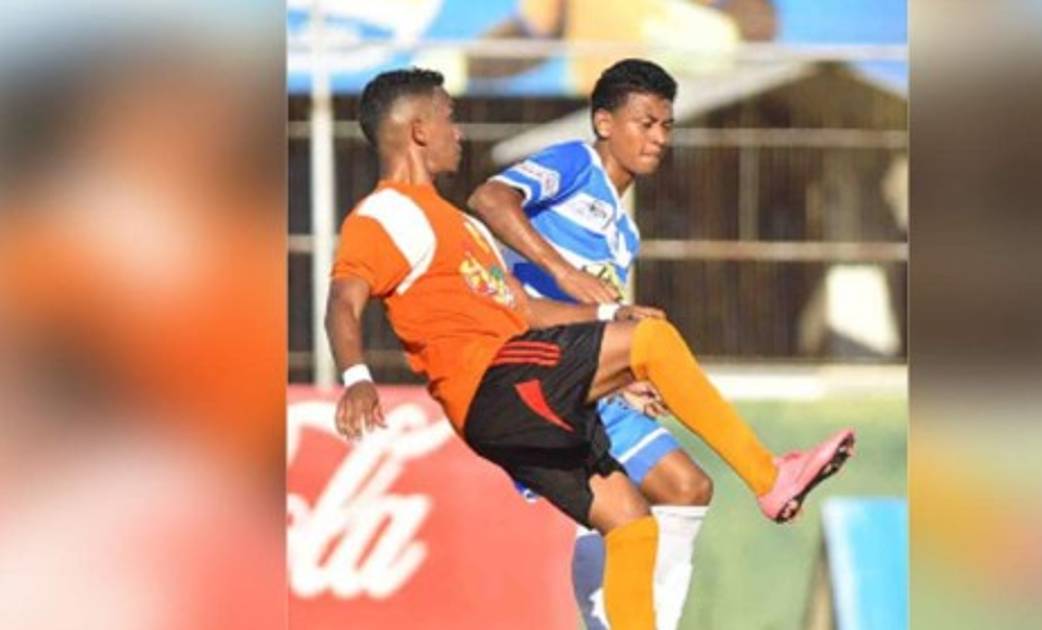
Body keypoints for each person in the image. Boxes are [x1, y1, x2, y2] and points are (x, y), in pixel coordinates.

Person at [326, 67, 855, 630]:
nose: (459, 131)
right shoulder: (385, 213)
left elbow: (524, 310)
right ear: (418, 130)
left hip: (510, 403)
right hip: (497, 382)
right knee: (652, 343)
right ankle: (770, 477)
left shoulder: (463, 229)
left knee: (631, 521)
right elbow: (342, 300)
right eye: (449, 118)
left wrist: (608, 316)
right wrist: (356, 376)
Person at [467, 58, 705, 630]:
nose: (658, 138)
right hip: (536, 373)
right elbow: (489, 199)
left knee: (686, 487)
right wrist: (562, 271)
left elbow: (596, 322)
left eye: (666, 126)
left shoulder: (626, 233)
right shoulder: (575, 162)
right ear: (604, 122)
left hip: (586, 381)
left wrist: (625, 379)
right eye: (645, 123)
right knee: (625, 511)